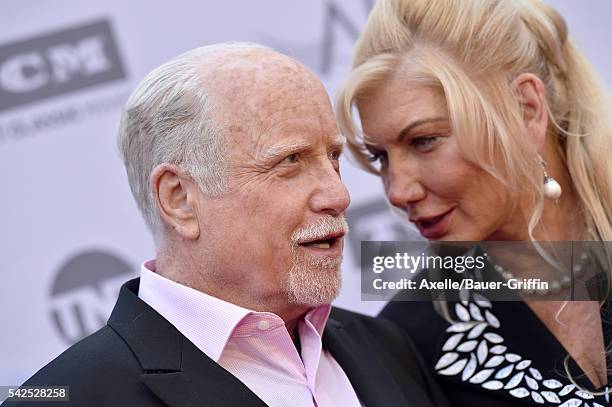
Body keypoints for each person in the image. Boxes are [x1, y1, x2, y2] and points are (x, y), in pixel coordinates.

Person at [1, 43, 449, 407]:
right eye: (290, 161)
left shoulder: (389, 346)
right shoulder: (69, 399)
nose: (338, 195)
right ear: (179, 200)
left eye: (332, 158)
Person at [337, 0, 612, 405]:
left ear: (526, 109)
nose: (397, 191)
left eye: (424, 140)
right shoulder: (413, 340)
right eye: (381, 157)